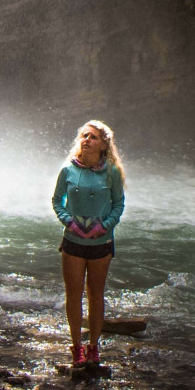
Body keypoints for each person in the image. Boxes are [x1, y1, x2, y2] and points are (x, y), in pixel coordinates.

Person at [51, 118, 125, 369]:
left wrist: (104, 226)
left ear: (104, 144)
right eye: (84, 135)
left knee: (96, 294)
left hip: (101, 242)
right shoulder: (67, 170)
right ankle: (76, 347)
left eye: (92, 136)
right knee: (73, 295)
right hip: (72, 241)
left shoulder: (112, 172)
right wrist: (68, 222)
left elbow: (118, 205)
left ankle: (93, 346)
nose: (87, 140)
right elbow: (56, 201)